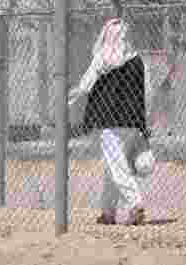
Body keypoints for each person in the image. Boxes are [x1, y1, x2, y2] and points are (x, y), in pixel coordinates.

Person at [70, 18, 152, 226]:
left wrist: (71, 97)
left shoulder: (103, 58)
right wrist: (145, 122)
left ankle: (135, 204)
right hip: (132, 121)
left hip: (110, 121)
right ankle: (108, 212)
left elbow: (86, 85)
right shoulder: (136, 60)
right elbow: (146, 92)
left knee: (116, 165)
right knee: (112, 166)